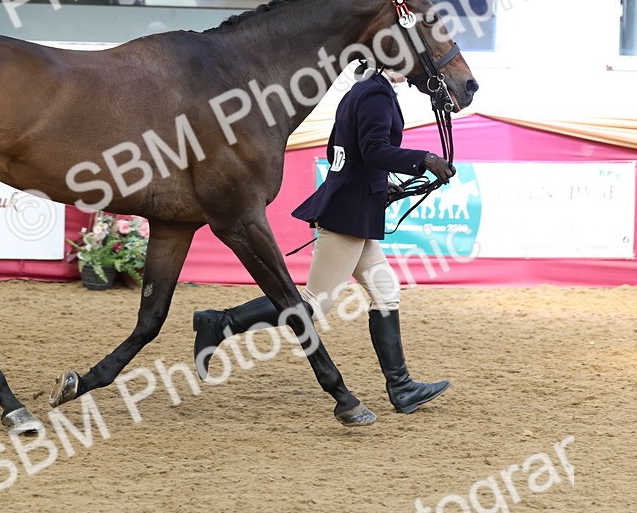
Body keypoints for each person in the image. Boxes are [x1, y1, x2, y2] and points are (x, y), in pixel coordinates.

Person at [192, 60, 456, 414]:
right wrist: (424, 158)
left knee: (386, 293)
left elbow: (343, 152)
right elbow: (375, 149)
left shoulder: (361, 91)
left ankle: (402, 387)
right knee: (314, 304)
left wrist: (379, 185)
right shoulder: (376, 94)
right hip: (349, 215)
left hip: (356, 208)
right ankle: (219, 322)